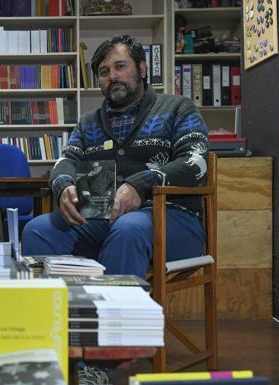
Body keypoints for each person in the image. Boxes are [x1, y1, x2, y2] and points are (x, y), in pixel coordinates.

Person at [21, 35, 209, 278]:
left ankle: (111, 314)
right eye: (104, 72)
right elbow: (65, 160)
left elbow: (196, 162)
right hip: (103, 222)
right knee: (37, 230)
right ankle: (59, 312)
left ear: (142, 69)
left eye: (120, 66)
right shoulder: (89, 123)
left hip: (173, 220)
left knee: (128, 229)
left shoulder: (178, 109)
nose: (112, 76)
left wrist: (140, 184)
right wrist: (64, 185)